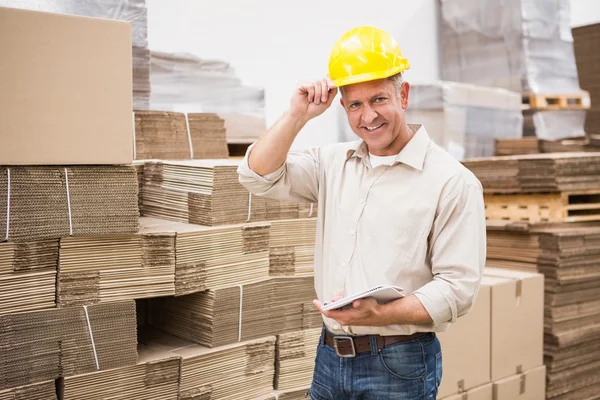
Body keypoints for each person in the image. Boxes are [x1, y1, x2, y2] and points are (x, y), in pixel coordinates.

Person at [237, 26, 486, 400]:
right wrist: (296, 116)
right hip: (329, 356)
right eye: (356, 104)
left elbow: (457, 289)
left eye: (379, 99)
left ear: (403, 95)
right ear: (343, 107)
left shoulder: (452, 181)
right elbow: (256, 176)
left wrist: (381, 315)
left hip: (399, 364)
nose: (368, 116)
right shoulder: (332, 163)